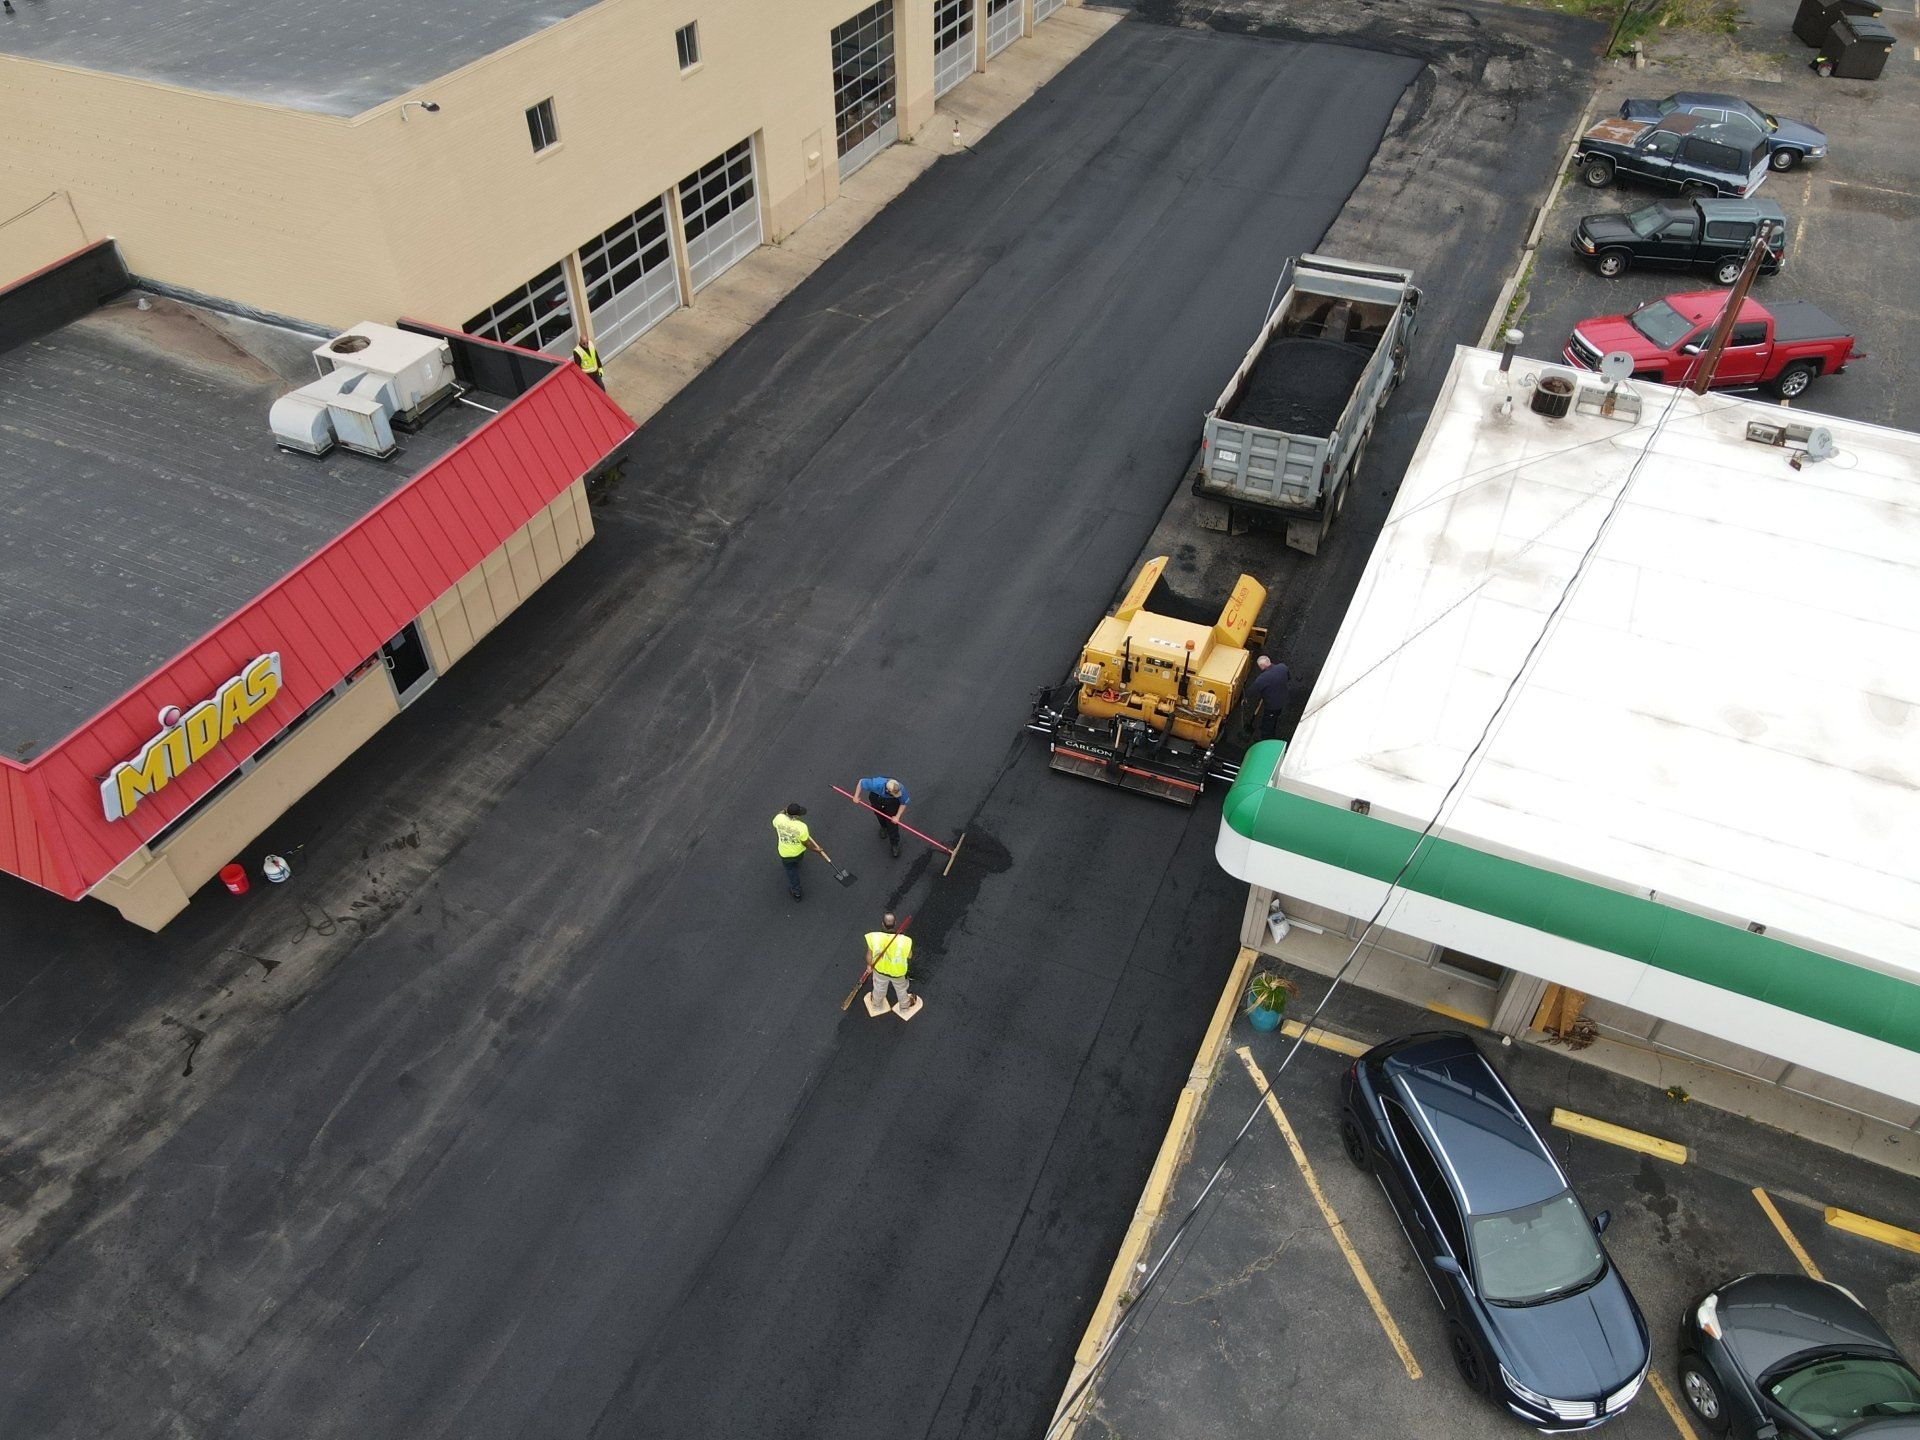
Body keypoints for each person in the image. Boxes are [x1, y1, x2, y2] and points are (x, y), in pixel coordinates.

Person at [862, 912, 921, 1020]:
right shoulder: (905, 941)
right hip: (898, 973)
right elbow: (910, 956)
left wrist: (869, 966)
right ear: (895, 923)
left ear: (882, 924)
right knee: (901, 989)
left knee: (879, 988)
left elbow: (869, 955)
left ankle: (877, 1006)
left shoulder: (874, 937)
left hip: (880, 970)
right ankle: (904, 1007)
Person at [771, 803, 824, 901]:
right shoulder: (802, 827)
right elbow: (806, 843)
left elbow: (779, 814)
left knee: (791, 872)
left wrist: (784, 810)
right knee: (797, 862)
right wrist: (816, 850)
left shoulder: (779, 819)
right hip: (798, 852)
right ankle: (796, 888)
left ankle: (796, 892)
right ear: (797, 816)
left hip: (785, 853)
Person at [852, 775, 911, 858]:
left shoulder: (900, 788)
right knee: (879, 815)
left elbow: (904, 803)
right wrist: (856, 796)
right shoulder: (876, 784)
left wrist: (897, 816)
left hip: (891, 802)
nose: (897, 794)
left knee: (892, 823)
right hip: (876, 798)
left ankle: (895, 843)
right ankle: (883, 827)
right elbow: (861, 782)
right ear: (887, 790)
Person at [1248, 654, 1291, 741]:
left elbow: (1252, 691)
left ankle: (1267, 738)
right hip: (1283, 698)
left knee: (1268, 723)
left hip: (1273, 705)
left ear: (1261, 667)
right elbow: (1288, 678)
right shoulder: (1282, 667)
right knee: (1276, 715)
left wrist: (1245, 698)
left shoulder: (1262, 678)